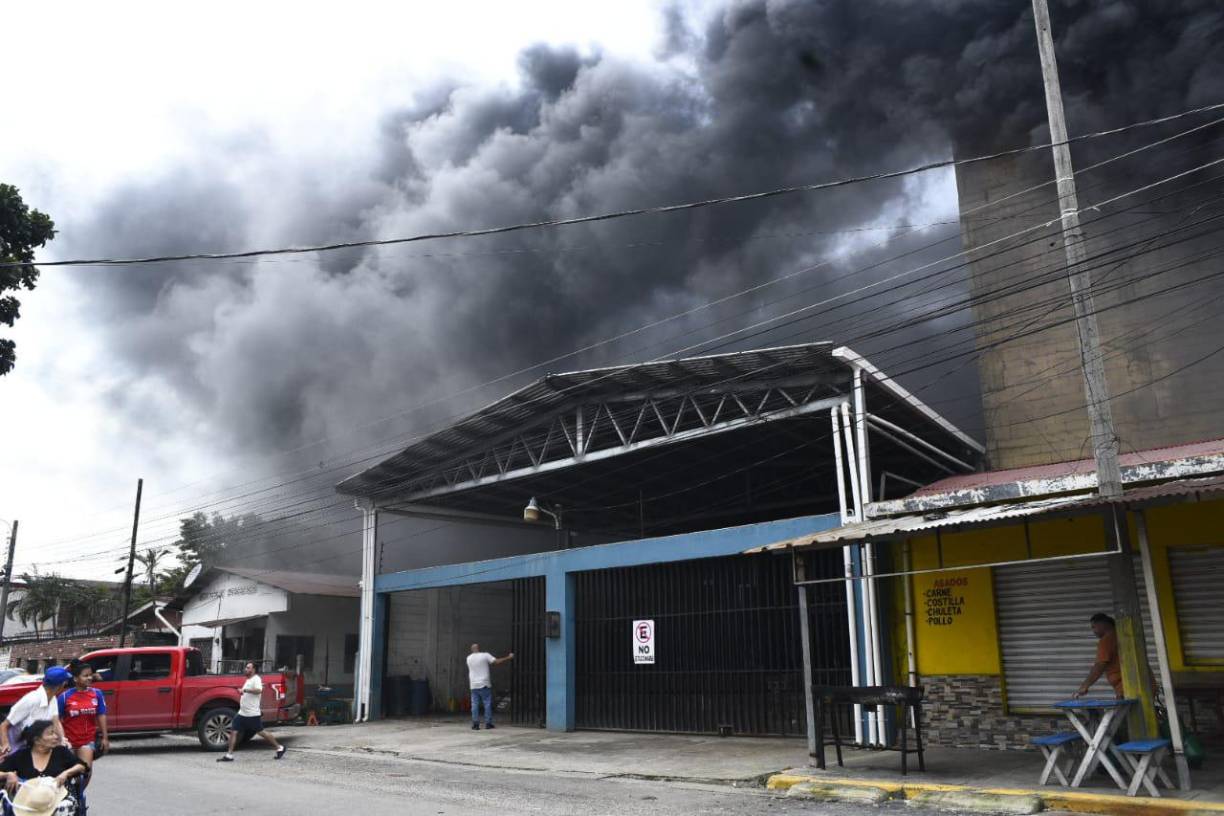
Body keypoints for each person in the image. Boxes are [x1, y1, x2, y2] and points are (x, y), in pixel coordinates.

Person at [0, 719, 87, 805]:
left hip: (58, 802)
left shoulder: (61, 752)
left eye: (54, 733)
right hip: (28, 804)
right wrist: (8, 775)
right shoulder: (21, 756)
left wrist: (66, 773)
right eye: (51, 734)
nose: (56, 737)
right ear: (37, 740)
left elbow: (82, 766)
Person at [216, 662, 286, 762]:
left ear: (253, 670)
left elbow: (259, 690)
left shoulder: (256, 679)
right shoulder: (248, 680)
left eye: (248, 668)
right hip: (242, 713)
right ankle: (229, 755)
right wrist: (242, 691)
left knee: (262, 732)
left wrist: (245, 691)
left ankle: (280, 747)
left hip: (252, 714)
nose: (246, 669)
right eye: (246, 667)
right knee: (233, 731)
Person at [57, 661, 108, 788]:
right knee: (66, 772)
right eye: (85, 675)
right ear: (75, 678)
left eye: (90, 675)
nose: (89, 678)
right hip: (68, 741)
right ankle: (65, 794)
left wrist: (105, 737)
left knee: (86, 771)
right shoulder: (64, 697)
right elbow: (56, 719)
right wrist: (61, 739)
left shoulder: (97, 694)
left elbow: (101, 715)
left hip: (87, 740)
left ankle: (79, 796)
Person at [0, 668, 71, 757]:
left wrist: (62, 740)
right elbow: (4, 725)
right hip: (17, 750)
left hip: (37, 749)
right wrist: (5, 746)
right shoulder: (31, 699)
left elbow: (55, 721)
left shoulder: (52, 698)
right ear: (61, 685)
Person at [1074, 612, 1124, 699]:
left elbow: (1100, 666)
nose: (1093, 631)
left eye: (1094, 627)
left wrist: (1085, 686)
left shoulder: (1106, 641)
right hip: (1141, 685)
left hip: (1128, 687)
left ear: (1103, 624)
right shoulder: (1121, 636)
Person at [466, 644, 513, 730]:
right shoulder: (485, 655)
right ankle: (488, 723)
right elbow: (496, 662)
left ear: (471, 649)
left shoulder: (468, 658)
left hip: (473, 685)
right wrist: (508, 657)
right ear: (478, 648)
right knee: (487, 704)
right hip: (484, 683)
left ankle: (475, 724)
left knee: (474, 704)